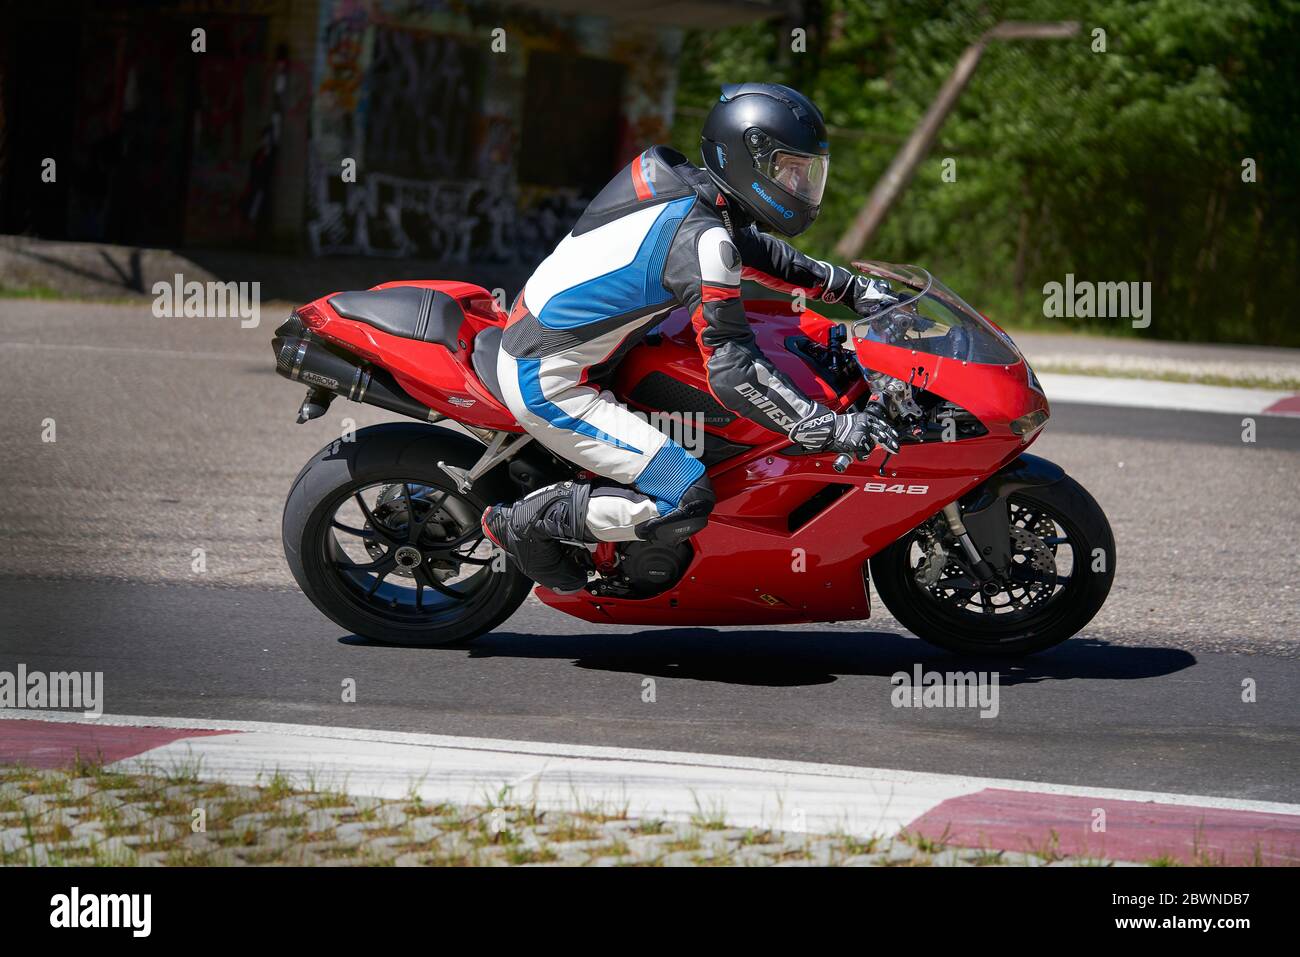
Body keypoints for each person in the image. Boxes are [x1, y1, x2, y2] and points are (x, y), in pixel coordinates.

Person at [481, 82, 900, 592]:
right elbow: (734, 372)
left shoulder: (684, 186)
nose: (800, 184)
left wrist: (850, 288)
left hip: (572, 340)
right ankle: (530, 523)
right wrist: (823, 427)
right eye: (789, 170)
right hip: (551, 381)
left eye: (806, 172)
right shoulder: (704, 242)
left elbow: (755, 249)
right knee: (685, 495)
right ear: (749, 161)